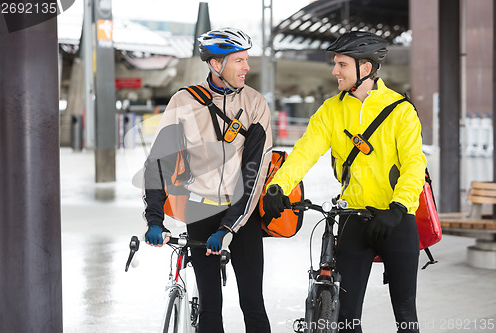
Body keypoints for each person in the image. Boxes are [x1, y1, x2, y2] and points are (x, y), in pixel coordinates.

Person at [263, 31, 427, 333]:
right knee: (346, 318)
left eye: (342, 64)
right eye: (335, 64)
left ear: (365, 68)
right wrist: (279, 185)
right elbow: (303, 154)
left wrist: (399, 207)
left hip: (396, 220)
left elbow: (414, 166)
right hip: (353, 219)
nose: (335, 71)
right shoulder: (331, 111)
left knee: (406, 316)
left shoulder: (401, 111)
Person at [142, 28, 272, 333]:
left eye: (246, 59)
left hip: (242, 217)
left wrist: (229, 226)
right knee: (210, 307)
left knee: (252, 303)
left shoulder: (255, 105)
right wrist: (154, 219)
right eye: (239, 60)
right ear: (216, 64)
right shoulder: (183, 101)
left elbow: (253, 174)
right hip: (200, 211)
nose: (246, 67)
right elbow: (158, 162)